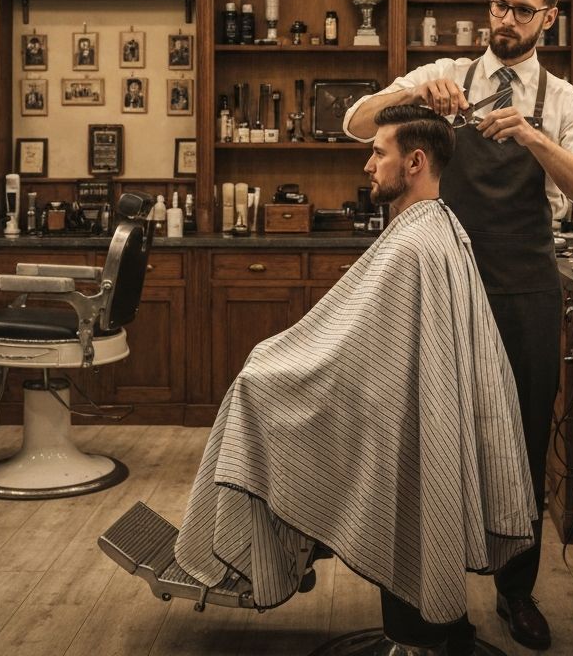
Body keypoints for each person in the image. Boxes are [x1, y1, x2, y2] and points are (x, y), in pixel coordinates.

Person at [175, 106, 536, 655]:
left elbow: (348, 357)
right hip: (413, 417)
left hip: (400, 420)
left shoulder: (414, 245)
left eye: (378, 152)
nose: (368, 164)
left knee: (253, 394)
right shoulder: (438, 228)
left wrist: (263, 371)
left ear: (414, 162)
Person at [344, 0, 573, 651]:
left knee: (517, 445)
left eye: (524, 10)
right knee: (432, 436)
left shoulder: (564, 101)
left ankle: (515, 593)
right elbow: (354, 121)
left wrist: (530, 135)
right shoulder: (447, 79)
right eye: (500, 5)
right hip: (438, 286)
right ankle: (432, 593)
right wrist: (412, 95)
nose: (507, 20)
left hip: (523, 289)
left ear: (548, 19)